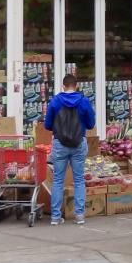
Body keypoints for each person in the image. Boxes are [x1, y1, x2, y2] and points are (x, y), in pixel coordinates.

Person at [43, 74, 96, 226]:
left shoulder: (55, 101)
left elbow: (47, 125)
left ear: (63, 86)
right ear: (76, 86)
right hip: (79, 143)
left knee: (58, 180)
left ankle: (55, 217)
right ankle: (79, 216)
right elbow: (91, 124)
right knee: (79, 179)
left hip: (60, 144)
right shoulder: (84, 101)